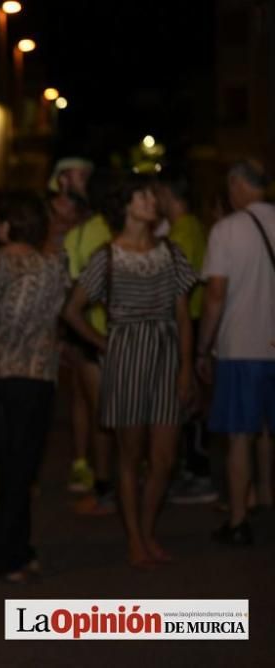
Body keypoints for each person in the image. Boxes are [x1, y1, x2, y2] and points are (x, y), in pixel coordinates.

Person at [62, 176, 197, 568]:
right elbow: (72, 311)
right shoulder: (107, 256)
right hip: (125, 362)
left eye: (153, 194)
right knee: (129, 455)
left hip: (166, 358)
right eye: (142, 195)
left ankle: (148, 530)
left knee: (164, 459)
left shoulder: (171, 253)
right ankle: (137, 539)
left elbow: (184, 318)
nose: (151, 201)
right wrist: (105, 343)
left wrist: (187, 369)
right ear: (124, 205)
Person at [0, 193, 70, 582]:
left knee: (8, 466)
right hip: (35, 374)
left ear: (9, 225)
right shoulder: (53, 265)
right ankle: (9, 553)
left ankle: (12, 549)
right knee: (22, 467)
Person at [198, 160, 275, 546]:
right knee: (266, 431)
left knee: (240, 436)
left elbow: (214, 296)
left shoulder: (227, 230)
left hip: (240, 346)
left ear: (237, 185)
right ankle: (266, 494)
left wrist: (203, 346)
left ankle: (239, 517)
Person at [155, 173, 216, 505]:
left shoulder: (182, 232)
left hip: (186, 320)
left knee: (187, 399)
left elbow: (179, 286)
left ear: (168, 194)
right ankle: (192, 468)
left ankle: (197, 471)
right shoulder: (190, 227)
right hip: (188, 317)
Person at [59, 160, 114, 505]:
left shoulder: (93, 232)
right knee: (87, 401)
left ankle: (103, 477)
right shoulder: (75, 233)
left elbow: (78, 288)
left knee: (100, 409)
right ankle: (92, 470)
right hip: (86, 331)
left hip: (95, 331)